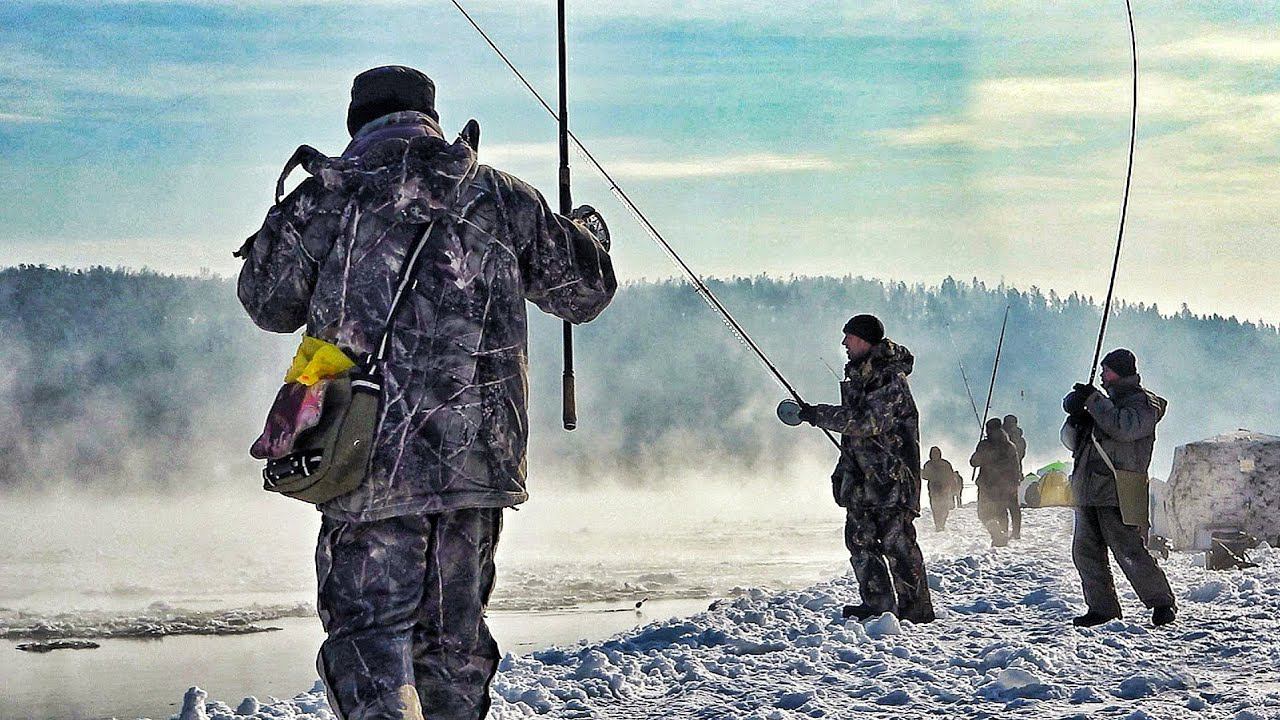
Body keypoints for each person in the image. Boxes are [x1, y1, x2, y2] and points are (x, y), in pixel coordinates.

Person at [237, 66, 617, 719]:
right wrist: (589, 230)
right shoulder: (502, 197)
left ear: (357, 123)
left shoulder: (328, 196)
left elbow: (267, 302)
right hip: (474, 466)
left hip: (365, 462)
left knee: (370, 649)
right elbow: (586, 291)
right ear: (432, 119)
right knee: (454, 655)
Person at [790, 314, 935, 624]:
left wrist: (819, 415)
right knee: (859, 541)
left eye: (850, 337)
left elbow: (869, 423)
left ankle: (915, 611)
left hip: (891, 480)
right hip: (862, 479)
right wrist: (843, 471)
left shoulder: (888, 378)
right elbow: (853, 436)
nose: (844, 343)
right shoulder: (860, 376)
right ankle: (878, 605)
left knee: (898, 546)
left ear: (866, 340)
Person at [1062, 348, 1175, 628]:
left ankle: (1161, 602)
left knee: (1128, 550)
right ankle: (1101, 608)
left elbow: (1125, 428)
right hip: (1089, 490)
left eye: (1107, 370)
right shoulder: (1104, 405)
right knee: (1086, 553)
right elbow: (1073, 443)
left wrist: (1094, 401)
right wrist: (1076, 417)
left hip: (1119, 490)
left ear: (1121, 372)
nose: (1102, 375)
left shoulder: (1143, 405)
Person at [969, 418, 1021, 547]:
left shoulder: (985, 445)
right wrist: (1015, 483)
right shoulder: (1009, 446)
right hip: (1004, 485)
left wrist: (979, 451)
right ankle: (1002, 534)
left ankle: (997, 534)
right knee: (1001, 511)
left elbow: (974, 462)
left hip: (987, 485)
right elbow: (1015, 467)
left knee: (984, 513)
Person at [921, 446, 957, 531]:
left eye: (936, 453)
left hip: (944, 489)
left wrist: (950, 486)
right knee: (935, 507)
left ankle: (942, 524)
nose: (935, 455)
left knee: (944, 507)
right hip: (933, 489)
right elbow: (926, 476)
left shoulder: (945, 464)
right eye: (933, 453)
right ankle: (938, 525)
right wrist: (921, 473)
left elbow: (951, 476)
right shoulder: (928, 464)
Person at [1002, 414, 1027, 539]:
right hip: (1015, 474)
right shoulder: (1020, 439)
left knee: (1004, 505)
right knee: (1013, 506)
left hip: (1003, 475)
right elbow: (1022, 455)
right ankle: (1015, 532)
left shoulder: (1006, 440)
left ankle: (1005, 531)